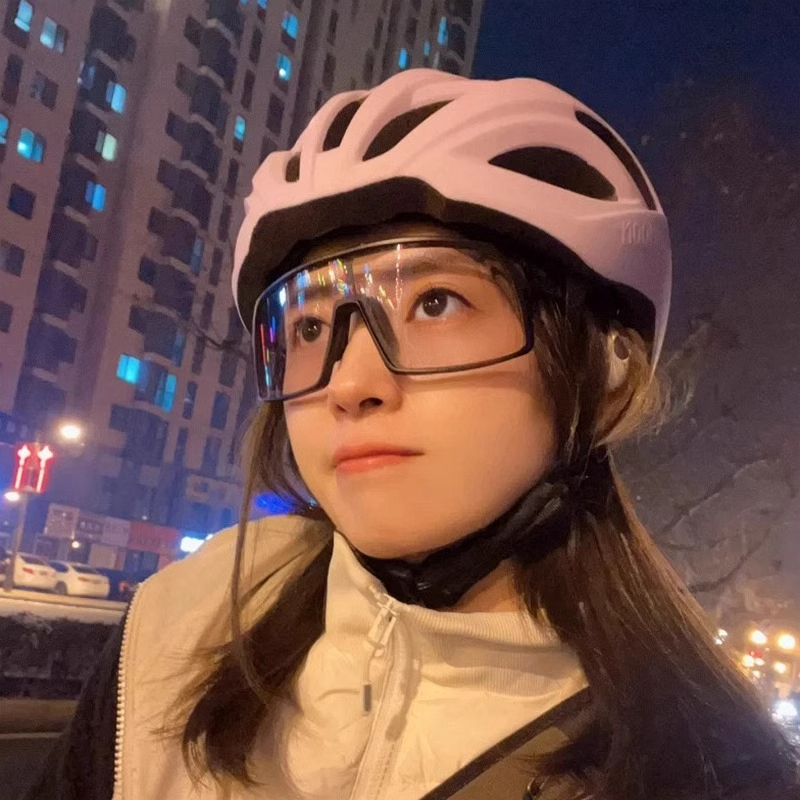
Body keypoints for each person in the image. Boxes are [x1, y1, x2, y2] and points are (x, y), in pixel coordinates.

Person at [24, 69, 800, 800]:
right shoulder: (184, 622)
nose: (349, 383)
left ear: (602, 373)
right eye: (311, 327)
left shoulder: (708, 768)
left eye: (435, 303)